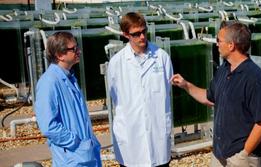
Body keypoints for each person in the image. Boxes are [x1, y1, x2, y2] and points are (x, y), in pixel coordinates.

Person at [171, 21, 261, 167]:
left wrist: (244, 154)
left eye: (219, 40)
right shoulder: (224, 69)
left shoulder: (254, 78)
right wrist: (186, 85)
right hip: (219, 155)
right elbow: (210, 98)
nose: (216, 44)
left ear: (231, 45)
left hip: (240, 158)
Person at [107, 12, 174, 167]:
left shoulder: (161, 57)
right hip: (130, 135)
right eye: (136, 34)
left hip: (158, 134)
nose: (142, 37)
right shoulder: (117, 63)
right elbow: (114, 94)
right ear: (125, 35)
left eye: (143, 31)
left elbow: (167, 88)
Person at [34, 31, 102, 167]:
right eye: (73, 49)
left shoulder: (69, 77)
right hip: (72, 157)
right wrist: (75, 142)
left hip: (85, 154)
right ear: (59, 55)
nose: (79, 51)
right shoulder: (49, 82)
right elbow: (48, 126)